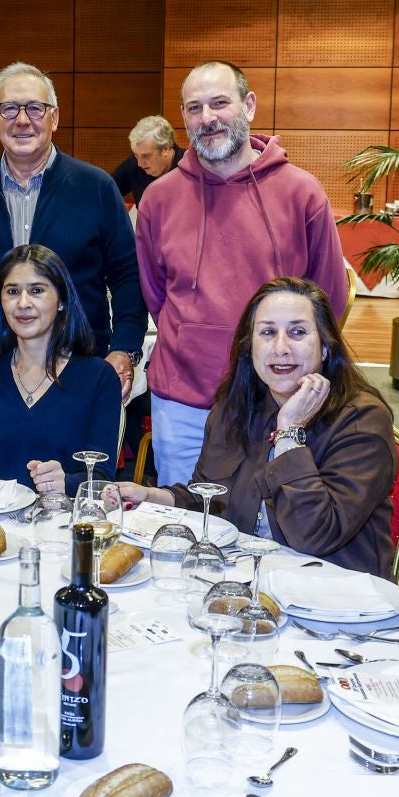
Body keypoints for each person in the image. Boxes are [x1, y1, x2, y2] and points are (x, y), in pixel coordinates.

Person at [136, 61, 350, 486]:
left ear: (249, 105)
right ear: (184, 118)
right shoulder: (158, 199)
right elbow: (156, 295)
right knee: (183, 528)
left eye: (220, 103)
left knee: (270, 536)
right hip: (182, 405)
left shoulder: (301, 192)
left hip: (277, 402)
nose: (208, 118)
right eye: (195, 108)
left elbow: (329, 299)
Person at [113, 278, 394, 576]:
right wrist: (151, 497)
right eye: (268, 332)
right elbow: (205, 498)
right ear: (250, 347)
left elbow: (315, 536)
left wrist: (289, 434)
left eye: (297, 332)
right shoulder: (235, 409)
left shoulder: (362, 421)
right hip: (248, 579)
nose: (281, 348)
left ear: (325, 347)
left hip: (336, 595)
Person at [0, 62, 146, 417]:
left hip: (80, 373)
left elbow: (128, 276)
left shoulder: (96, 189)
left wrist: (124, 347)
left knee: (77, 473)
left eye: (35, 108)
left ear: (54, 118)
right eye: (9, 108)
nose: (22, 120)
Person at [0, 245, 122, 497]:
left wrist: (65, 481)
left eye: (37, 291)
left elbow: (101, 479)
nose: (23, 303)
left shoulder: (99, 379)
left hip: (60, 525)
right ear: (0, 301)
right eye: (12, 291)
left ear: (62, 301)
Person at [112, 115, 182, 207]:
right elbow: (105, 192)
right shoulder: (133, 164)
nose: (139, 163)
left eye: (146, 156)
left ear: (166, 148)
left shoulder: (190, 168)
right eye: (136, 155)